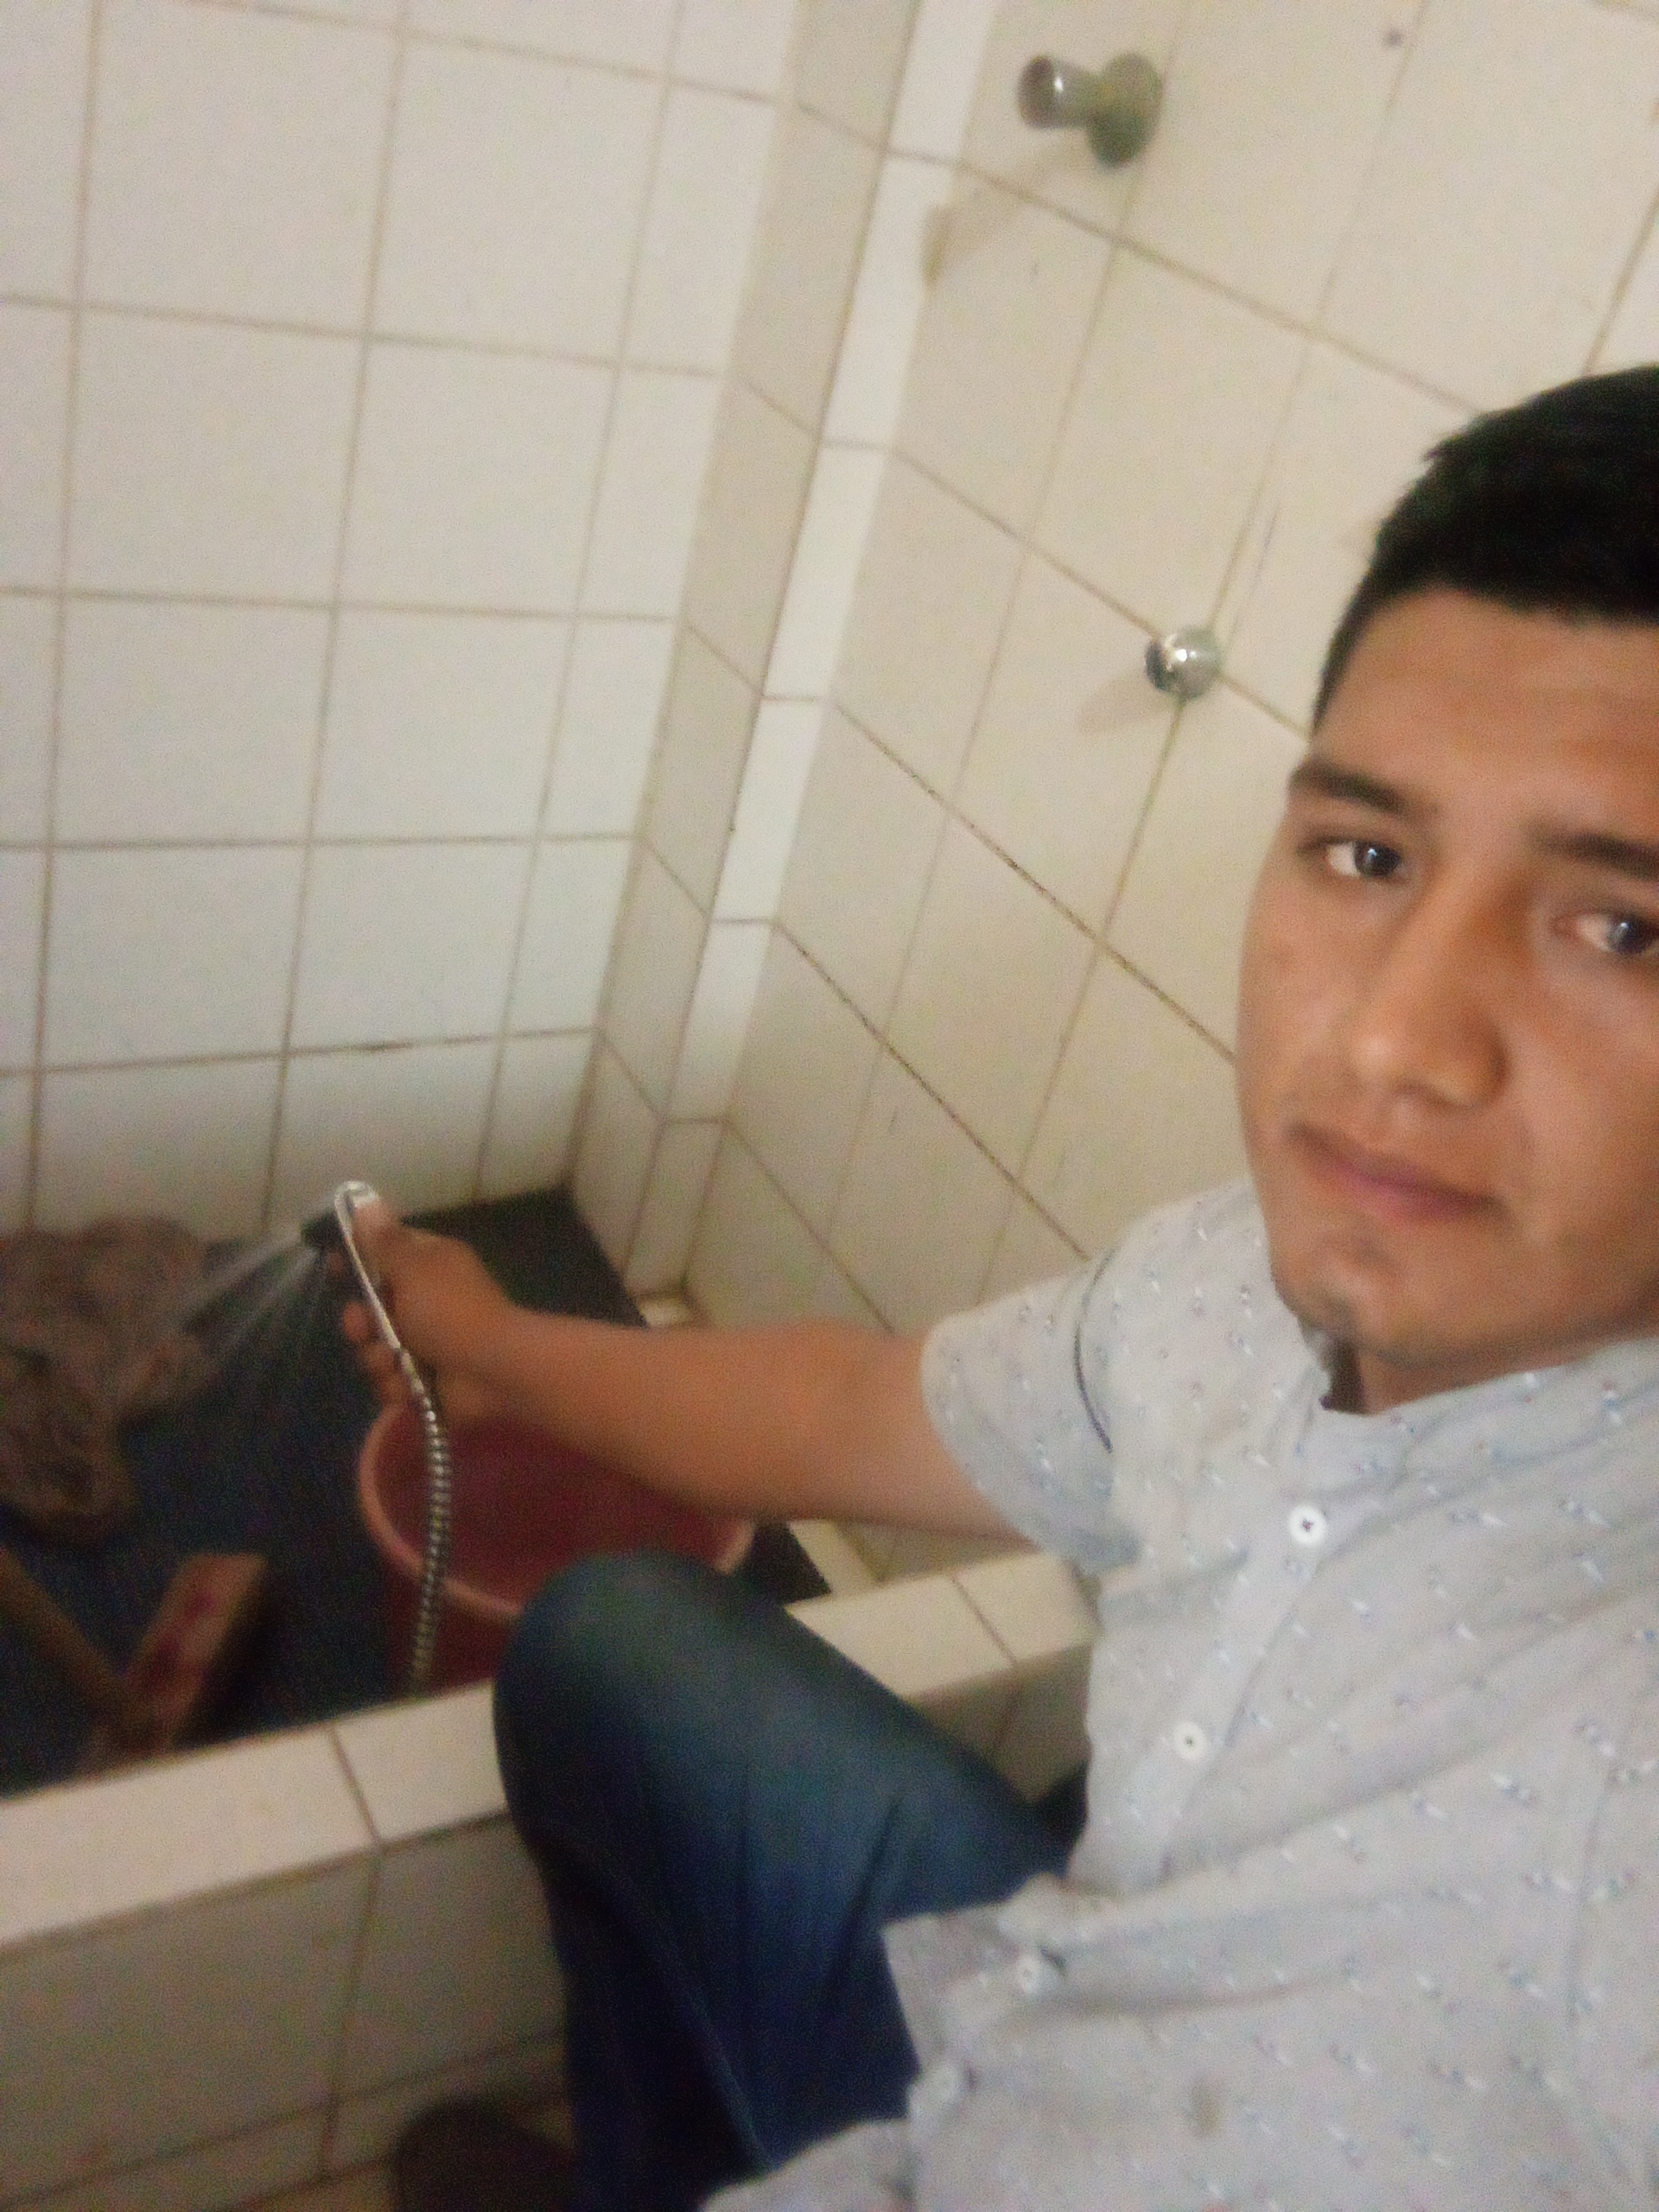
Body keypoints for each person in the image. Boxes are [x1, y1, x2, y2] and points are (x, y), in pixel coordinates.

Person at [346, 365, 1659, 2212]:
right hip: (1040, 2023)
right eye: (1368, 855)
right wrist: (495, 1354)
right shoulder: (1229, 1290)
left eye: (1626, 927)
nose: (1391, 1038)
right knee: (606, 1647)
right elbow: (859, 1407)